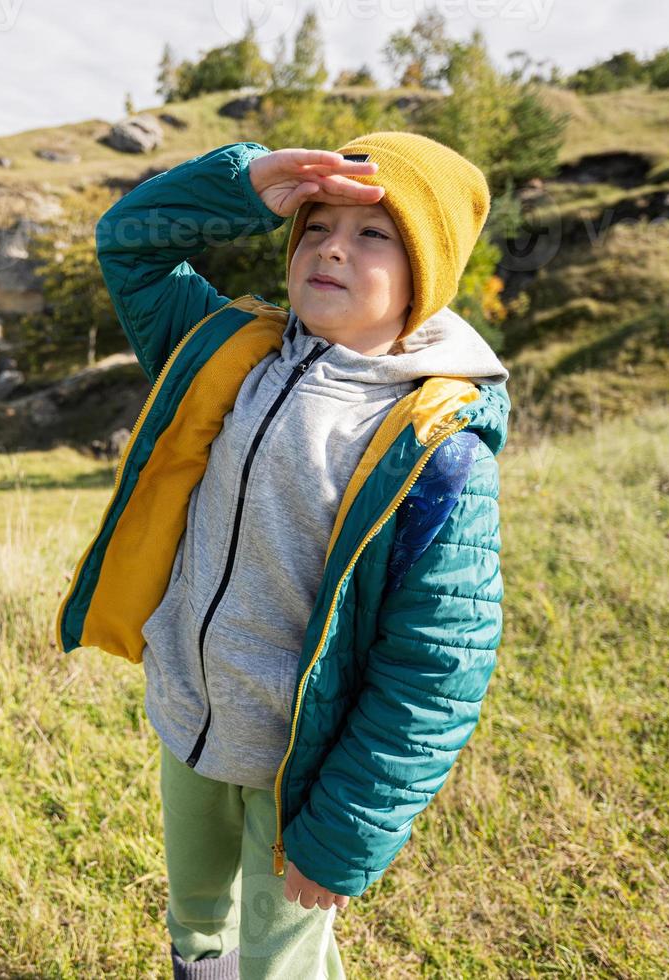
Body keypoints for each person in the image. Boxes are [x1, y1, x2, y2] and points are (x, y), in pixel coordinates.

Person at [53, 132, 511, 979]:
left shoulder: (437, 448)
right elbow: (130, 243)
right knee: (197, 921)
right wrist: (243, 184)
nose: (333, 244)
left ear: (428, 273)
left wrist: (341, 838)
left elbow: (436, 666)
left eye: (375, 233)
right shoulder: (226, 354)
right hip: (190, 714)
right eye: (315, 224)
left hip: (295, 771)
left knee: (280, 960)